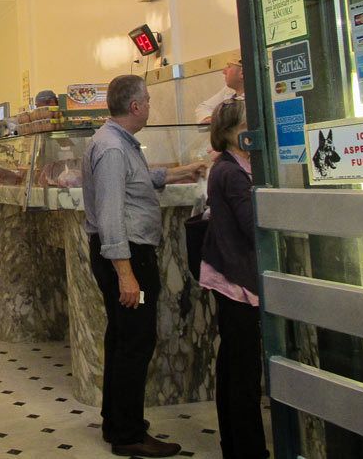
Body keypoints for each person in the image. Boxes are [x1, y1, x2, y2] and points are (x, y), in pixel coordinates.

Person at [83, 74, 205, 458]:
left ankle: (116, 419)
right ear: (135, 107)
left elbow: (135, 183)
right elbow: (111, 214)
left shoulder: (117, 142)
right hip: (126, 254)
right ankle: (129, 434)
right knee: (135, 342)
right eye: (148, 100)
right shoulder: (113, 148)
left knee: (122, 340)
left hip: (125, 253)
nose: (150, 106)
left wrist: (180, 172)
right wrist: (126, 273)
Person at [200, 100, 269, 459]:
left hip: (229, 274)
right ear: (230, 132)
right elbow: (250, 222)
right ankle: (247, 448)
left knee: (234, 365)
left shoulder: (229, 167)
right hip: (236, 280)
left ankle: (238, 444)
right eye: (247, 123)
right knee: (242, 371)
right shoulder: (229, 172)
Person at [195, 57, 244, 123]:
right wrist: (209, 118)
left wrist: (219, 121)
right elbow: (204, 107)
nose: (224, 71)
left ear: (242, 73)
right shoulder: (229, 90)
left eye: (229, 66)